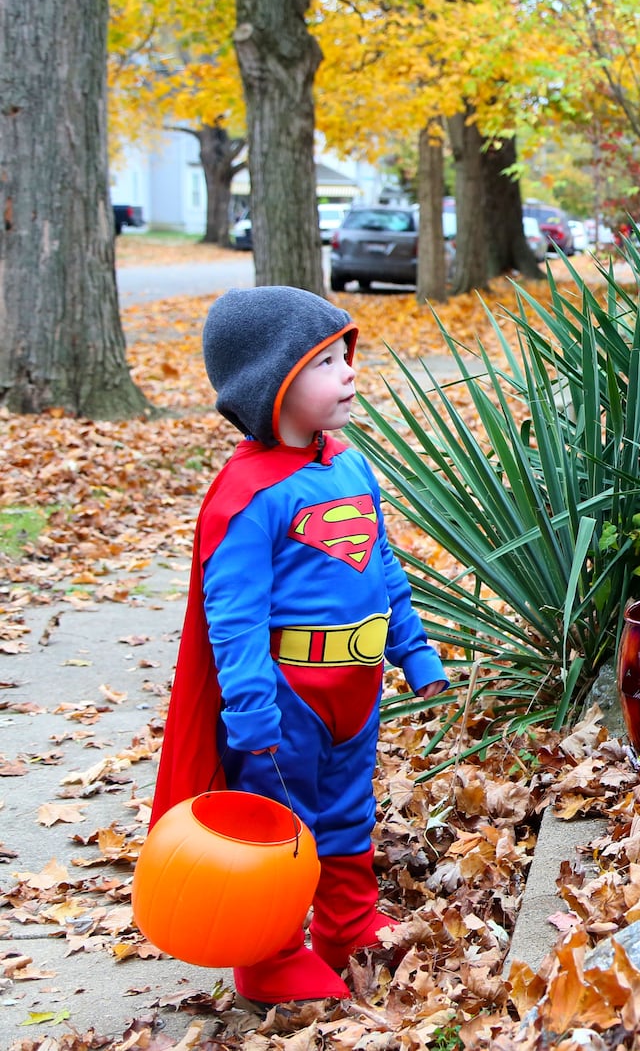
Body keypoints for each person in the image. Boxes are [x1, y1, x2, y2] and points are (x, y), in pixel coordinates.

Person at [150, 286, 448, 1004]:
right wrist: (251, 716)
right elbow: (234, 619)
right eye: (322, 361)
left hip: (357, 688)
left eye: (343, 354)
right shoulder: (246, 494)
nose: (347, 371)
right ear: (272, 385)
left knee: (349, 811)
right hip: (287, 699)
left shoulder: (348, 465)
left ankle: (346, 925)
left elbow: (383, 567)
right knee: (282, 826)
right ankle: (272, 954)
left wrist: (417, 653)